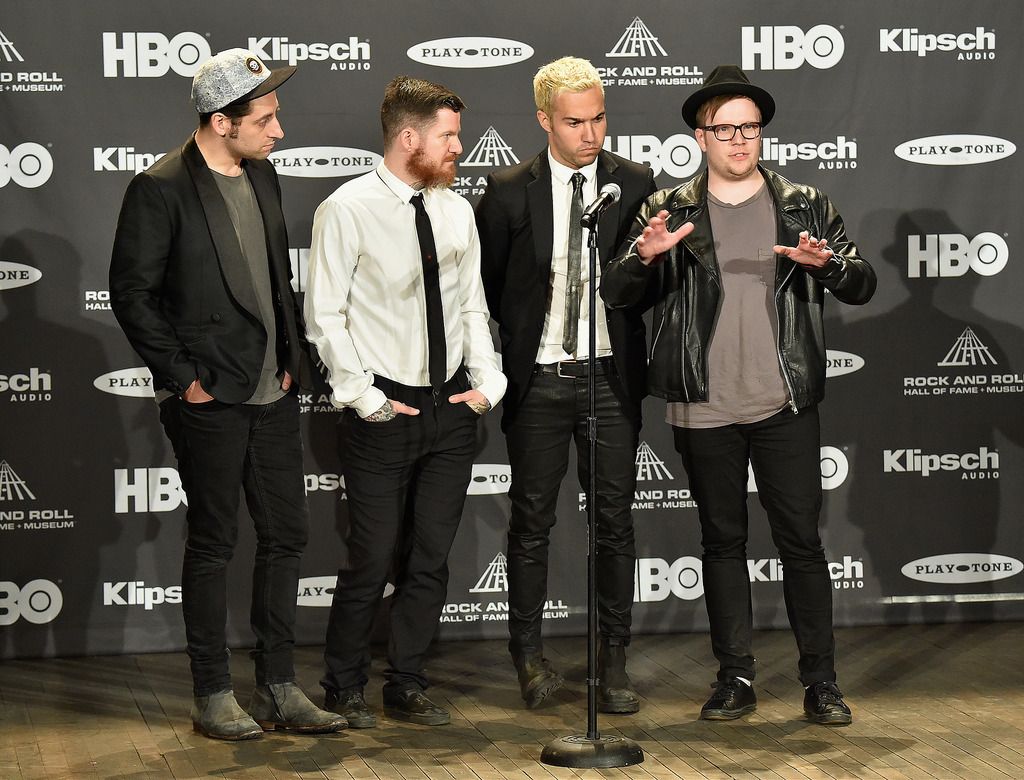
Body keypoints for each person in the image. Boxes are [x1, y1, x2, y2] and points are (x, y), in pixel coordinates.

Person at [602, 65, 876, 726]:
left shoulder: (805, 203)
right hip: (704, 403)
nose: (739, 141)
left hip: (784, 401)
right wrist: (642, 257)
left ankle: (822, 683)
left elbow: (862, 283)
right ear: (700, 136)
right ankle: (736, 679)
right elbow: (616, 294)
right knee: (721, 543)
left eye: (749, 128)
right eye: (725, 129)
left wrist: (829, 265)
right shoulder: (670, 209)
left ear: (761, 134)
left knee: (801, 544)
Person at [109, 49, 345, 740]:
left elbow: (276, 281)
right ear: (221, 120)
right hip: (211, 398)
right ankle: (212, 691)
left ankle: (277, 685)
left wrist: (294, 360)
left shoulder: (264, 176)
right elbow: (133, 297)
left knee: (287, 535)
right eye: (266, 118)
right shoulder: (160, 187)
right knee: (213, 541)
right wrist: (185, 379)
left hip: (274, 392)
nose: (279, 129)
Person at [305, 76, 506, 728]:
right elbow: (325, 315)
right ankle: (343, 686)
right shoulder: (347, 208)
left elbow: (471, 305)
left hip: (452, 410)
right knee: (371, 558)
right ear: (409, 137)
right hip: (382, 413)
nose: (459, 147)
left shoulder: (456, 210)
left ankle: (408, 683)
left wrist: (489, 382)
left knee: (430, 558)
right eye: (449, 135)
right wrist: (364, 398)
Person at [474, 57, 655, 713]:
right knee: (531, 525)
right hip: (541, 381)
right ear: (544, 119)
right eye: (576, 121)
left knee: (614, 526)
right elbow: (492, 290)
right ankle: (529, 657)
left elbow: (645, 284)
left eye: (599, 117)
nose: (591, 133)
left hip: (612, 378)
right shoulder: (506, 189)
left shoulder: (635, 184)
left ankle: (613, 663)